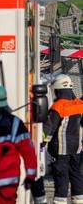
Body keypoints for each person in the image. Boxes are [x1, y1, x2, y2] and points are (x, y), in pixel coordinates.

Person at [42, 74, 83, 204]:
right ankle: (79, 200)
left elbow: (49, 129)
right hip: (77, 149)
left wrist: (41, 142)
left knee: (61, 177)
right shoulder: (80, 104)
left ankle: (60, 201)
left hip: (60, 150)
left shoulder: (58, 106)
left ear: (58, 89)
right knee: (76, 175)